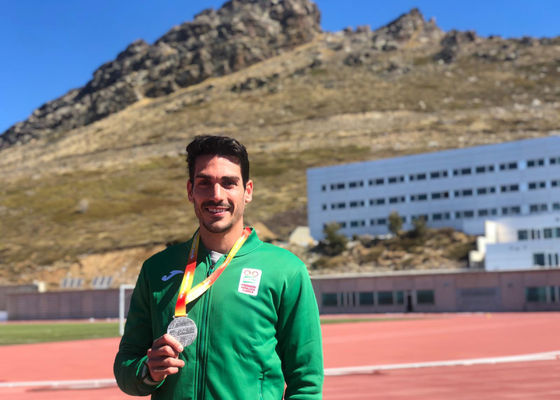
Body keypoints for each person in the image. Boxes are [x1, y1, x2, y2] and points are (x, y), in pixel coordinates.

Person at [114, 135, 323, 400]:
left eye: (229, 183)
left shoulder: (286, 270)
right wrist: (147, 371)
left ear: (247, 191)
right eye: (204, 183)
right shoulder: (157, 268)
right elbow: (127, 363)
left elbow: (306, 383)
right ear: (190, 191)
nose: (216, 195)